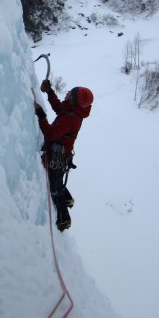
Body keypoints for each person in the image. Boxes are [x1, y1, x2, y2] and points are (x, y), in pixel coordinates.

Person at [34, 80, 93, 232]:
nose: (67, 93)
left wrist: (40, 114)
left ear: (73, 100)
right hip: (62, 154)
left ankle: (64, 219)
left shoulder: (70, 118)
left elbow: (50, 134)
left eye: (70, 93)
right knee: (57, 179)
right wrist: (50, 92)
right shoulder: (72, 110)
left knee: (55, 187)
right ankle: (68, 199)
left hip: (58, 156)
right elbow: (59, 108)